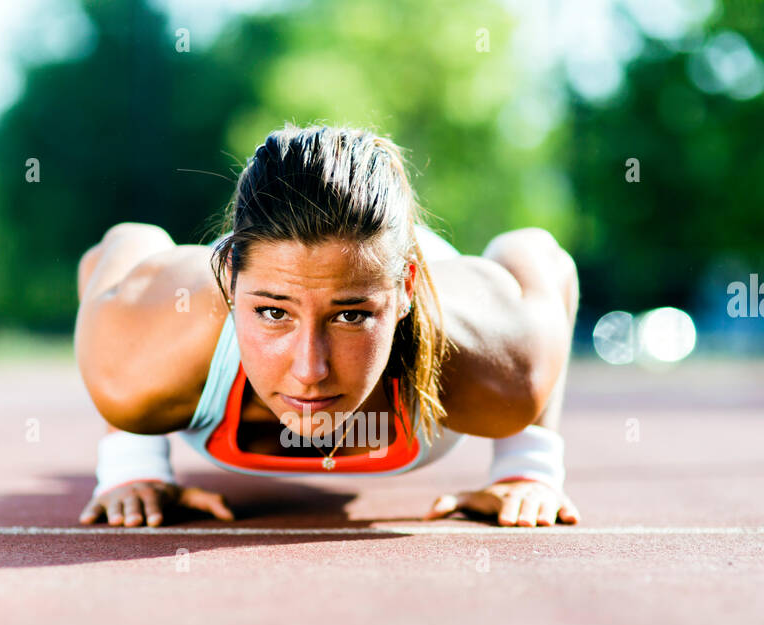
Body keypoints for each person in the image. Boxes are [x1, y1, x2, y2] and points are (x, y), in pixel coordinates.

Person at [74, 123, 580, 528]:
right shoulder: (138, 364)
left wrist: (527, 466)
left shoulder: (499, 372)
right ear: (230, 281)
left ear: (406, 289)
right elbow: (121, 245)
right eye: (274, 313)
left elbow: (543, 256)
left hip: (408, 272)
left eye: (351, 317)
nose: (310, 368)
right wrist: (132, 462)